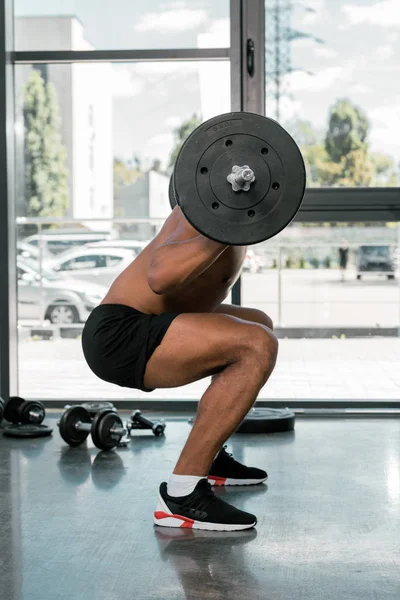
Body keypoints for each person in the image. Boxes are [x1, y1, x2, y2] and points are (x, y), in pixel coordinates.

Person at [82, 206, 278, 531]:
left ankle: (210, 456)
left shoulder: (234, 214)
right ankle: (182, 496)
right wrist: (223, 226)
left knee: (258, 324)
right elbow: (160, 277)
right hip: (121, 333)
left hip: (150, 324)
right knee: (256, 343)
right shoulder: (200, 210)